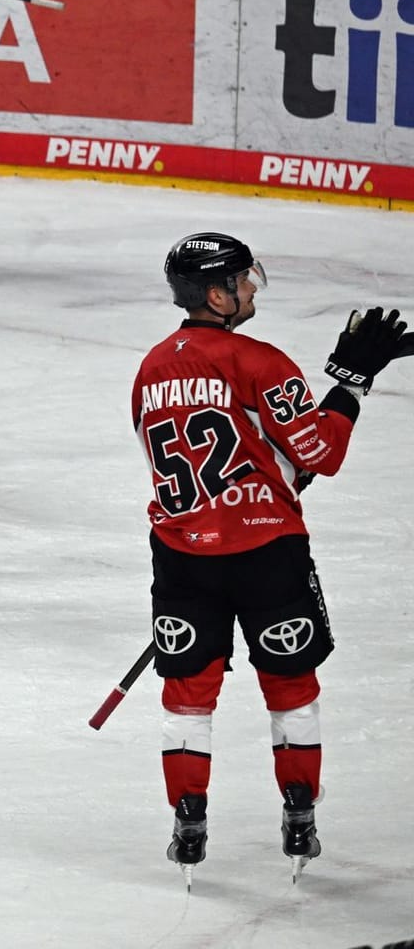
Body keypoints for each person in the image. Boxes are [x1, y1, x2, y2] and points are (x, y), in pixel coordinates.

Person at [132, 234, 406, 882]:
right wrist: (351, 382)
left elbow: (202, 467)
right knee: (289, 686)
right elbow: (319, 455)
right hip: (266, 552)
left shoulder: (150, 367)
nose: (253, 288)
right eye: (244, 280)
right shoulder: (262, 361)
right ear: (218, 294)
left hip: (181, 554)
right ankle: (300, 811)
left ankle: (189, 818)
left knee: (187, 694)